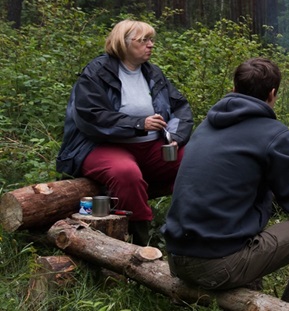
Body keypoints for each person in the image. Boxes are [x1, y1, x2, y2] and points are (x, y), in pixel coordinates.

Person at [164, 58, 289, 308]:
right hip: (217, 265)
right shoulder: (273, 133)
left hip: (176, 257)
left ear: (234, 89)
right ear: (272, 94)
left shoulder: (207, 125)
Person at [55, 19, 193, 247]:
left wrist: (176, 137)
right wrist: (139, 123)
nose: (151, 45)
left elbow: (180, 107)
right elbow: (91, 115)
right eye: (144, 40)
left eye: (152, 40)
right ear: (123, 43)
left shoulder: (153, 73)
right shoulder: (96, 73)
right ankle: (140, 243)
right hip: (101, 145)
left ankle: (188, 228)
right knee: (125, 172)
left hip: (150, 146)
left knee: (194, 161)